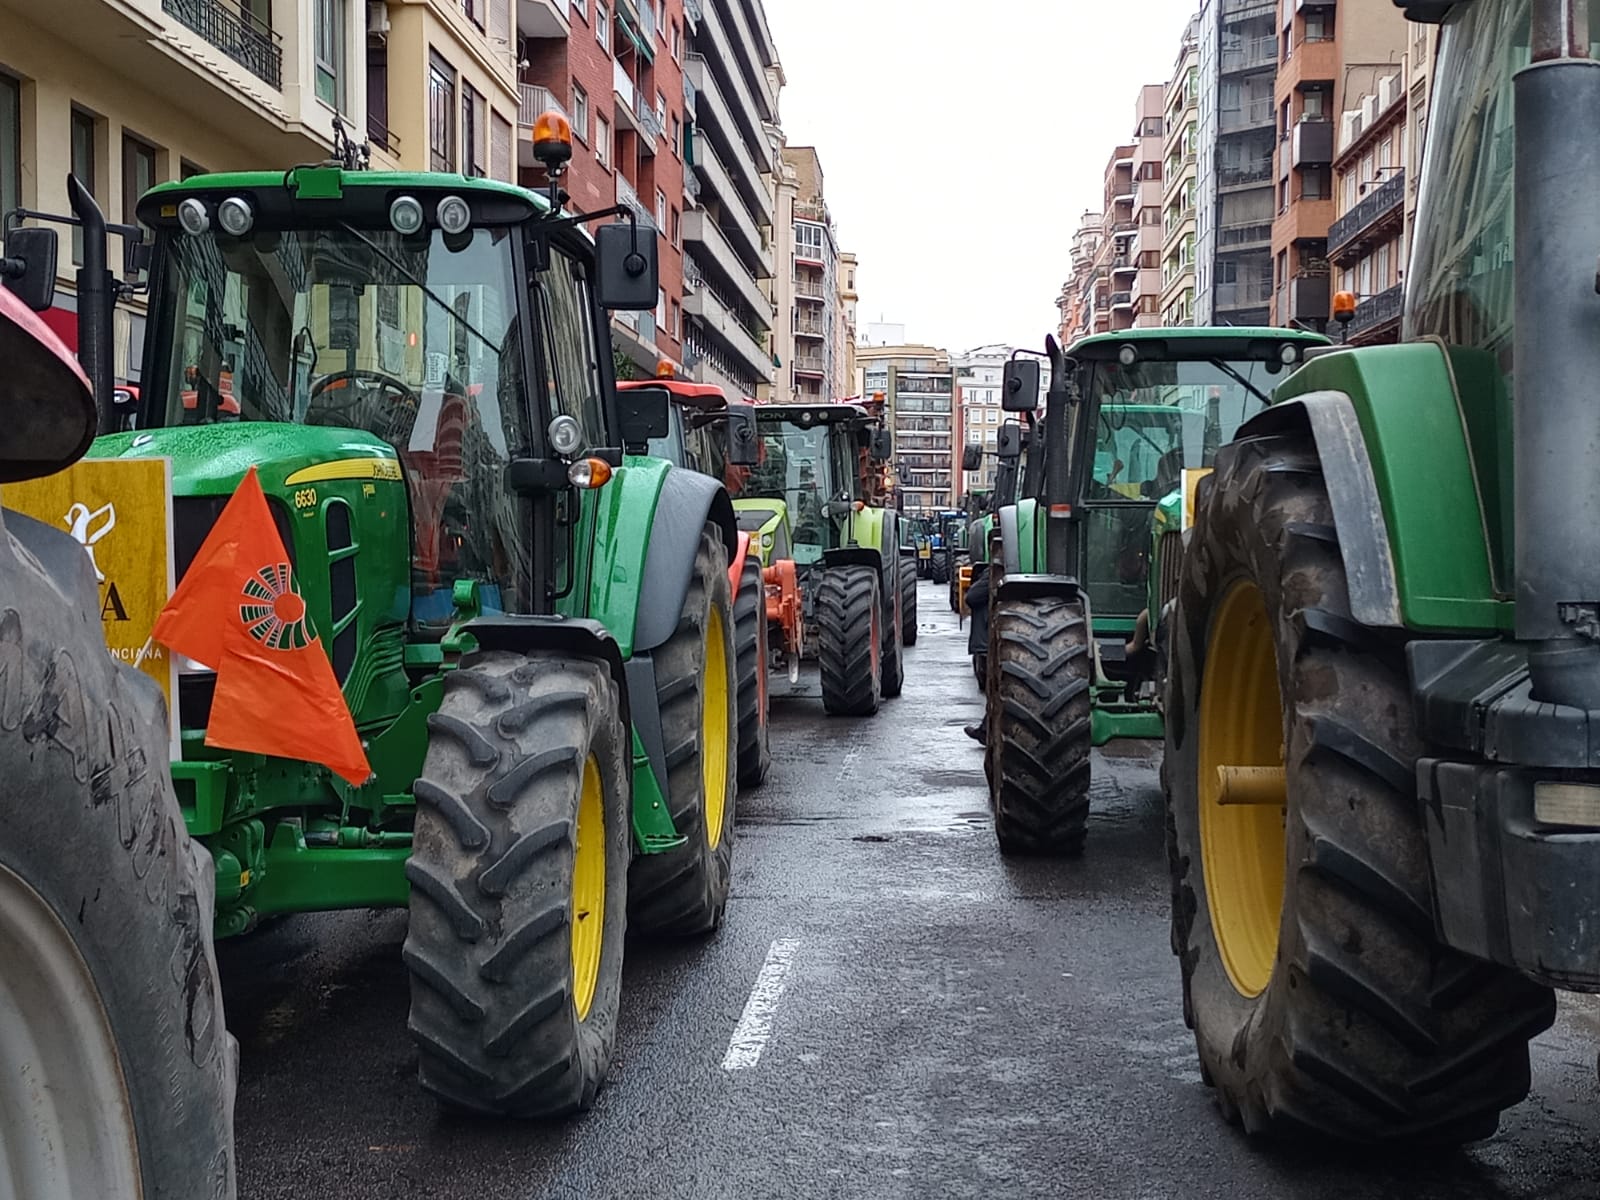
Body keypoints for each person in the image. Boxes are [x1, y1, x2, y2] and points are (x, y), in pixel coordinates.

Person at [963, 560, 991, 743]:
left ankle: (986, 730)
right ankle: (985, 730)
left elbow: (972, 597)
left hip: (988, 640)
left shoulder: (992, 574)